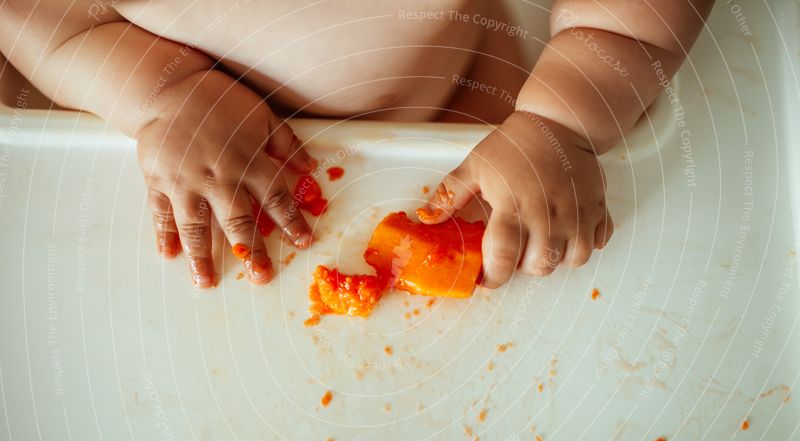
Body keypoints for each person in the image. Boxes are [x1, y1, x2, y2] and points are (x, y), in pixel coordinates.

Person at [0, 0, 712, 288]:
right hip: (185, 145)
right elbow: (40, 17)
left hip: (463, 107)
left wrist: (563, 120)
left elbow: (634, 20)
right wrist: (163, 94)